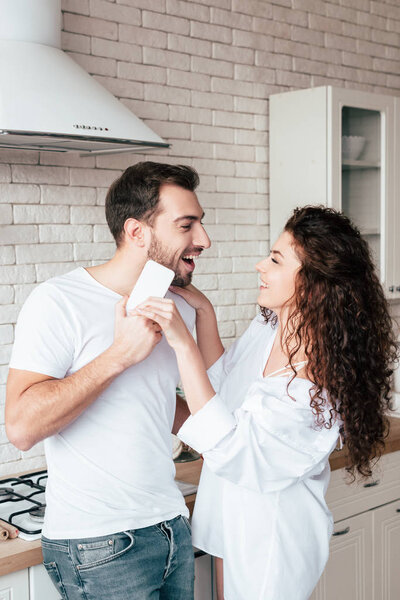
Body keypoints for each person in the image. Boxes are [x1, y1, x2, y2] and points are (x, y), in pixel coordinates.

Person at [135, 205, 399, 600]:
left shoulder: (313, 379)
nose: (261, 266)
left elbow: (235, 450)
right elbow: (225, 386)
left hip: (272, 536)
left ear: (312, 283)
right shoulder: (272, 326)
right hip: (232, 516)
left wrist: (182, 342)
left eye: (275, 260)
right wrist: (203, 311)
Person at [6, 162, 211, 600]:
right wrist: (119, 355)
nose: (203, 241)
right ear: (137, 232)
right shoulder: (59, 301)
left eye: (201, 224)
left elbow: (160, 401)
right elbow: (22, 427)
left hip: (171, 525)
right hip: (99, 544)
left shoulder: (179, 307)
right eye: (186, 226)